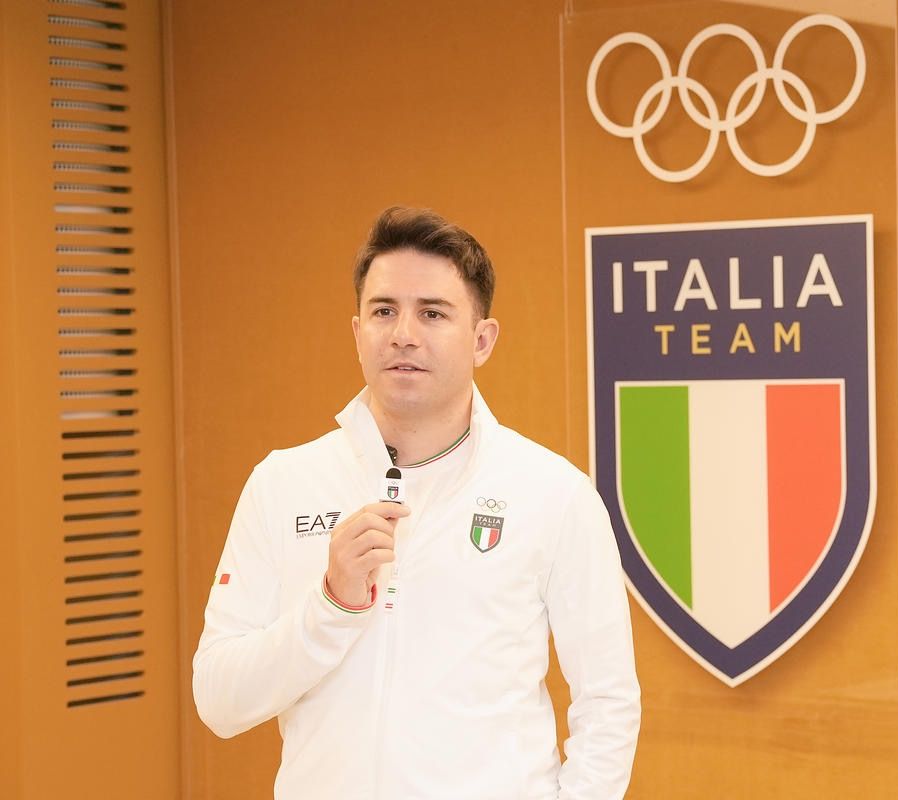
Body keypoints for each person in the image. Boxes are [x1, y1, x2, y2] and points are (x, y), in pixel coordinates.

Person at [193, 207, 640, 799]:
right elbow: (219, 700)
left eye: (432, 312)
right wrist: (330, 606)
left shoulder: (554, 493)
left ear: (482, 340)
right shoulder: (283, 482)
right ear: (357, 333)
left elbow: (607, 704)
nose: (403, 333)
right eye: (384, 311)